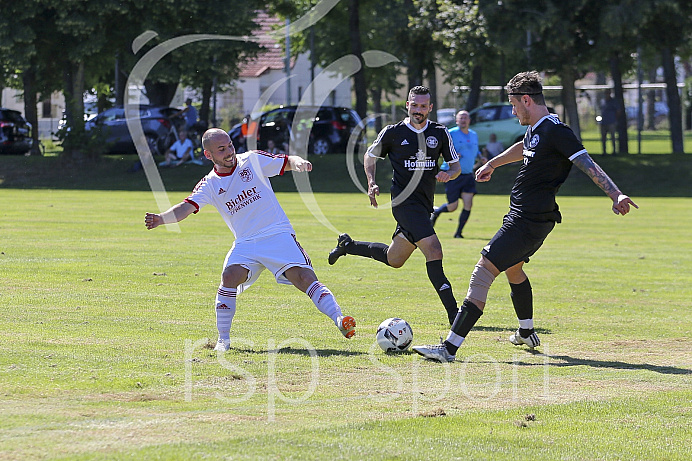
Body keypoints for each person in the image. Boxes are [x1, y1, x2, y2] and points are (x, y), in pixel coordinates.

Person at [412, 71, 638, 362]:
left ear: (527, 100)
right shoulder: (538, 128)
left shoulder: (557, 131)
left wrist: (615, 194)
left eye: (514, 104)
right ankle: (526, 331)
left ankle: (449, 348)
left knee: (482, 273)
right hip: (531, 218)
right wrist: (493, 163)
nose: (512, 110)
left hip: (527, 220)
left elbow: (586, 162)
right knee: (514, 269)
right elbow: (524, 148)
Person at [145, 128, 356, 352]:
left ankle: (340, 319)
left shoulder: (252, 160)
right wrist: (161, 219)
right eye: (221, 149)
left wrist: (299, 163)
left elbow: (285, 161)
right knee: (229, 276)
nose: (229, 152)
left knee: (304, 277)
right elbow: (185, 208)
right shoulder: (210, 184)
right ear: (209, 155)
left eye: (230, 146)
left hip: (277, 233)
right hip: (246, 242)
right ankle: (223, 340)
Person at [327, 86, 462, 325]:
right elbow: (370, 156)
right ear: (407, 105)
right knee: (434, 250)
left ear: (430, 107)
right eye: (414, 105)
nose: (418, 110)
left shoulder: (440, 133)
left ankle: (348, 245)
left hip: (424, 206)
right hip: (403, 202)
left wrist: (448, 174)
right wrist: (371, 182)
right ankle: (455, 314)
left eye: (423, 106)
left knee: (394, 259)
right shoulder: (393, 133)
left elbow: (455, 166)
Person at [430, 110, 485, 238]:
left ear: (469, 120)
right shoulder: (451, 133)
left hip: (467, 175)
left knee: (468, 203)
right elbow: (439, 149)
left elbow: (475, 150)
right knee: (452, 207)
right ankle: (436, 212)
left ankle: (458, 233)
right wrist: (451, 155)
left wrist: (481, 157)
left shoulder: (473, 134)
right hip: (452, 174)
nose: (463, 120)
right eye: (461, 118)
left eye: (465, 118)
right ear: (457, 120)